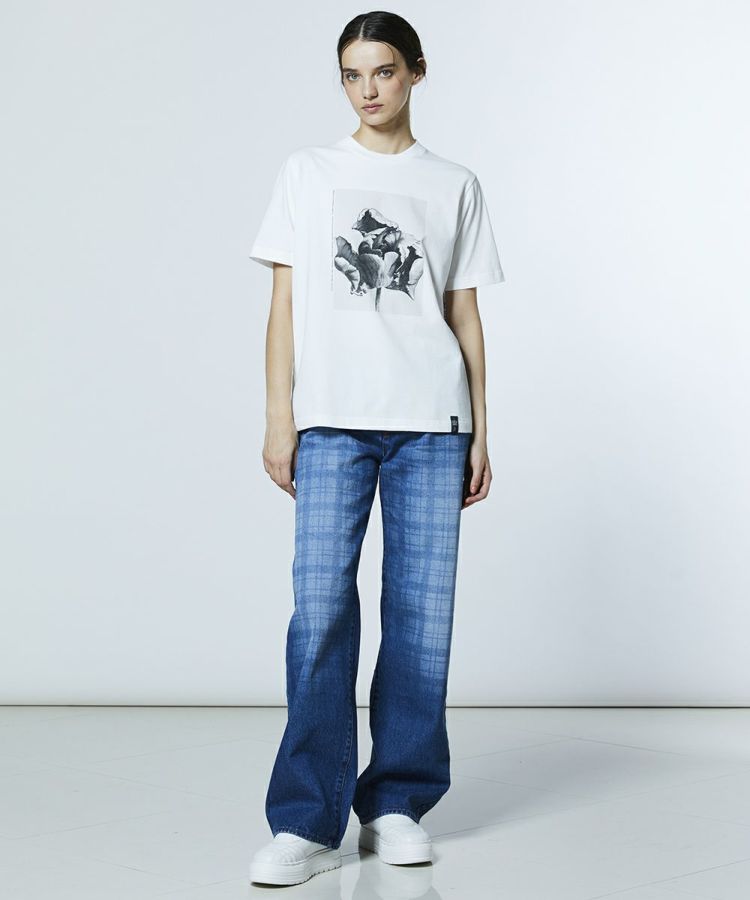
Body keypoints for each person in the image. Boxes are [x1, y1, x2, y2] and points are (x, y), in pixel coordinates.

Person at [247, 10, 505, 887]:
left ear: (416, 73)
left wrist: (481, 426)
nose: (369, 89)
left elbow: (464, 314)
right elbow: (283, 306)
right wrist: (280, 417)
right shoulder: (307, 173)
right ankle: (305, 820)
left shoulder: (454, 183)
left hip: (432, 424)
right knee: (319, 612)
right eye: (353, 74)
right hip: (331, 422)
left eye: (385, 71)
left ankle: (396, 803)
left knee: (421, 621)